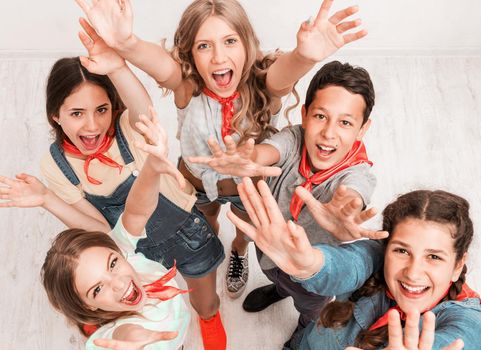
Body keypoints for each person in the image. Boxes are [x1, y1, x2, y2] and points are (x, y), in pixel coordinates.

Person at [74, 0, 368, 300]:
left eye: (230, 41)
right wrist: (127, 43)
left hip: (248, 189)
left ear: (247, 45)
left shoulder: (265, 86)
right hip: (198, 183)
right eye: (204, 46)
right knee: (206, 222)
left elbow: (285, 73)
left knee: (243, 230)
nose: (218, 57)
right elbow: (162, 67)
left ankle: (238, 250)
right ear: (191, 54)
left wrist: (304, 57)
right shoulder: (188, 87)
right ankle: (210, 249)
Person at [1, 19, 225, 350]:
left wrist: (118, 66)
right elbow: (100, 230)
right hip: (131, 251)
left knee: (203, 297)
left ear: (113, 107)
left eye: (101, 109)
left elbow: (143, 111)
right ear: (55, 116)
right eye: (77, 113)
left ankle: (208, 317)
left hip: (183, 231)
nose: (92, 125)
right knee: (143, 307)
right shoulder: (56, 167)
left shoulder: (127, 130)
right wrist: (46, 197)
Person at [189, 60, 380, 344]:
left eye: (345, 122)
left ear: (362, 129)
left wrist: (348, 207)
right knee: (275, 275)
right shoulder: (294, 138)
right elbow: (268, 151)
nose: (329, 133)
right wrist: (247, 159)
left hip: (309, 276)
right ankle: (277, 290)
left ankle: (304, 325)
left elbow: (354, 192)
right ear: (304, 115)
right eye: (320, 116)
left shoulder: (358, 175)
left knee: (308, 308)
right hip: (269, 253)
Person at [3, 113, 191, 349]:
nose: (120, 284)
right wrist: (135, 342)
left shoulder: (124, 251)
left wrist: (152, 166)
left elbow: (136, 211)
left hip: (177, 330)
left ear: (118, 252)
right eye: (97, 289)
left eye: (112, 264)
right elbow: (125, 334)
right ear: (87, 305)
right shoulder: (114, 335)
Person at [228, 177, 481, 350]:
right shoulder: (375, 257)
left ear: (458, 265)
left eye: (434, 257)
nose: (413, 272)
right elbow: (346, 263)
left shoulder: (466, 318)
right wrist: (311, 265)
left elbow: (466, 338)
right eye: (402, 250)